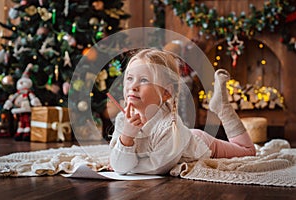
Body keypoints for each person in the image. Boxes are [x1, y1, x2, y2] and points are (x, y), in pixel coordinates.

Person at [109, 48, 255, 175]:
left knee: (248, 151)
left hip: (200, 143)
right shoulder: (123, 119)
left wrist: (126, 163)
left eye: (144, 80)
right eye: (129, 78)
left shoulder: (168, 125)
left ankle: (223, 108)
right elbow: (119, 165)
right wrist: (126, 138)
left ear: (166, 93)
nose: (132, 86)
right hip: (184, 136)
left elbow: (157, 168)